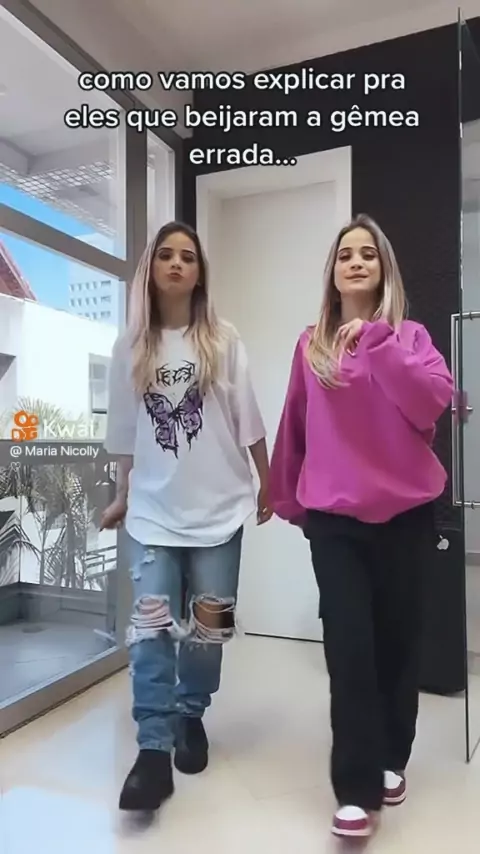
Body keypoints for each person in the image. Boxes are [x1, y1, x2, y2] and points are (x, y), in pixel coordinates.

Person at [269, 214, 453, 840]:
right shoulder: (310, 345)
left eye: (367, 253)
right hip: (336, 522)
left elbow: (431, 403)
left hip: (406, 516)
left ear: (383, 268)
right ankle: (355, 788)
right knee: (349, 651)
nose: (355, 261)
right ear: (333, 272)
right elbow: (295, 423)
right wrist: (287, 498)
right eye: (345, 253)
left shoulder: (410, 338)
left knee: (398, 645)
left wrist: (377, 340)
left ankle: (391, 757)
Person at [101, 221, 272, 813]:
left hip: (219, 512)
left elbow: (249, 418)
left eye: (188, 257)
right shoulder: (130, 346)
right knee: (151, 626)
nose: (177, 264)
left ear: (200, 273)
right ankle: (152, 749)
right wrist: (121, 496)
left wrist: (268, 481)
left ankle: (190, 714)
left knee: (208, 628)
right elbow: (125, 433)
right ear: (151, 269)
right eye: (166, 255)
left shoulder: (222, 340)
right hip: (152, 513)